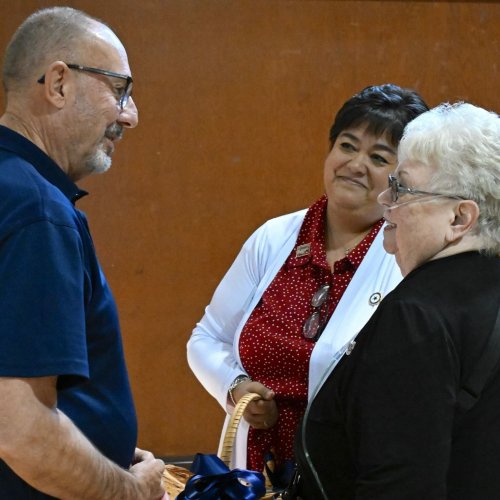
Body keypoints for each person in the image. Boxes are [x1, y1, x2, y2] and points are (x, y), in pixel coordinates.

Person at [187, 84, 429, 487]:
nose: (355, 164)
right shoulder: (273, 236)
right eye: (347, 146)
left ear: (401, 178)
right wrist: (234, 388)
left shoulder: (405, 256)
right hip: (252, 477)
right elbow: (206, 337)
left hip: (349, 479)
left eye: (378, 157)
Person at [294, 102, 500, 499]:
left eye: (402, 187)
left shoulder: (415, 316)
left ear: (460, 218)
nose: (385, 199)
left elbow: (399, 485)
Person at [0, 7, 166, 499]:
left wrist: (101, 449)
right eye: (119, 90)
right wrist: (130, 492)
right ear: (57, 84)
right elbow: (21, 429)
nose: (130, 116)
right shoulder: (38, 211)